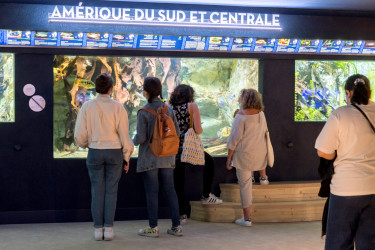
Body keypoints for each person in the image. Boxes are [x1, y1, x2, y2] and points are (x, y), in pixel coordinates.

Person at [315, 74, 375, 250]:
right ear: (369, 93)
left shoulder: (340, 114)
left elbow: (323, 151)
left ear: (348, 93)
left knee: (339, 243)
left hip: (346, 190)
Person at [74, 73, 134, 241]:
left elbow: (80, 135)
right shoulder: (118, 107)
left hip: (95, 151)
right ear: (111, 88)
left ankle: (97, 229)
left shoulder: (87, 106)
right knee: (111, 191)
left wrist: (87, 144)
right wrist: (126, 157)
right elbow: (124, 135)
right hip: (115, 152)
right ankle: (109, 229)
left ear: (96, 88)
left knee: (97, 190)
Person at [133, 76, 182, 237]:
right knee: (170, 190)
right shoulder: (169, 110)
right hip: (168, 157)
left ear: (146, 92)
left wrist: (131, 139)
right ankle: (176, 226)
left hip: (150, 158)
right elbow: (177, 133)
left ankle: (153, 228)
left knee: (152, 192)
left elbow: (139, 138)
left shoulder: (144, 112)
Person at [169, 84, 223, 225]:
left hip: (175, 149)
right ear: (190, 95)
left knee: (178, 182)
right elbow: (198, 130)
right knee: (209, 162)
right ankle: (206, 195)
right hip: (190, 146)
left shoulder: (169, 108)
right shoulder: (192, 107)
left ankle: (181, 214)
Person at [226, 89, 269, 227]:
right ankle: (263, 177)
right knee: (247, 183)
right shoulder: (261, 114)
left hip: (243, 156)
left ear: (243, 99)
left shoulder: (240, 116)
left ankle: (247, 219)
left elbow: (234, 139)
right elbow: (265, 134)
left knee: (245, 186)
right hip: (259, 154)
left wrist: (229, 158)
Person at [233, 109, 269, 185]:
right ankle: (263, 178)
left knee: (251, 161)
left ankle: (253, 177)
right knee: (260, 160)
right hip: (258, 146)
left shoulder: (241, 122)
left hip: (249, 148)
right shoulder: (259, 116)